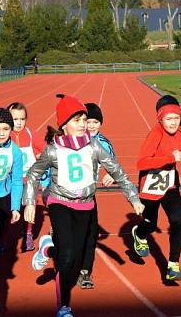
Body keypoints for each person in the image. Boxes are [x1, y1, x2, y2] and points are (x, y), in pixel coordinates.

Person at [23, 94, 144, 317]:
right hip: (59, 202)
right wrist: (30, 201)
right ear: (64, 124)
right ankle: (63, 306)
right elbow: (33, 175)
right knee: (67, 256)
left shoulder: (95, 147)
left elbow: (117, 170)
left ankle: (48, 249)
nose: (83, 125)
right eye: (77, 120)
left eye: (84, 120)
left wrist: (133, 198)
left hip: (85, 206)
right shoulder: (53, 149)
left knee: (75, 261)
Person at [132, 95, 181, 280]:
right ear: (160, 119)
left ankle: (173, 265)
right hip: (150, 186)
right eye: (169, 119)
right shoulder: (155, 135)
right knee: (151, 224)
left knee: (177, 221)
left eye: (176, 118)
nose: (173, 122)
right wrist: (169, 159)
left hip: (170, 185)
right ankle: (140, 232)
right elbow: (141, 163)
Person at [78, 102, 115, 289]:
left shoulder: (104, 143)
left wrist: (110, 175)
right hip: (66, 196)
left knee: (91, 235)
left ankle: (85, 272)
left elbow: (113, 165)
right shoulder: (71, 139)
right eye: (88, 121)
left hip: (89, 195)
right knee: (73, 236)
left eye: (95, 122)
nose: (91, 126)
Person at [8, 102, 46, 252]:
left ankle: (28, 233)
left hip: (29, 179)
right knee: (9, 208)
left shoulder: (30, 134)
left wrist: (39, 156)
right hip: (11, 179)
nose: (19, 123)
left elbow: (43, 149)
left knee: (30, 207)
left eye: (22, 119)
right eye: (15, 119)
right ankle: (3, 238)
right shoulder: (5, 134)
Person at [0, 108, 23, 256]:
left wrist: (15, 207)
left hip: (2, 198)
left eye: (6, 129)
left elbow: (17, 180)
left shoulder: (15, 152)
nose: (1, 133)